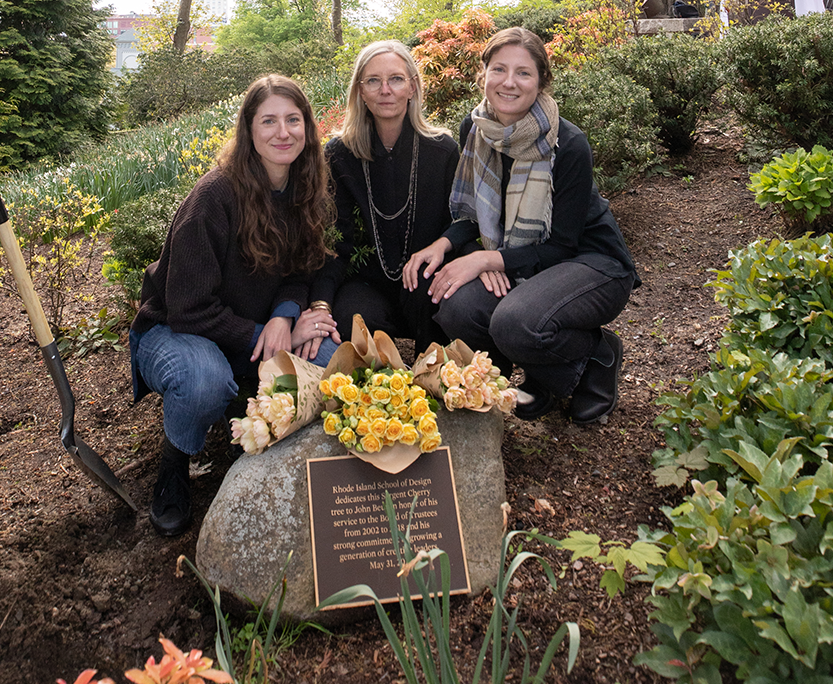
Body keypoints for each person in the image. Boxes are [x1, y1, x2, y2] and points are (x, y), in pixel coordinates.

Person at [129, 75, 340, 537]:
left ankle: (251, 407)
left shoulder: (303, 187)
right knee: (204, 381)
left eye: (293, 119)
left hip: (254, 326)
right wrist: (260, 335)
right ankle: (175, 461)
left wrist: (286, 316)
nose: (282, 132)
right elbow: (187, 308)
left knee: (330, 365)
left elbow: (302, 269)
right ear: (249, 130)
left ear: (307, 127)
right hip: (175, 330)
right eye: (269, 121)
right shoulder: (215, 197)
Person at [404, 27, 639, 425]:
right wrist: (446, 244)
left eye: (523, 73)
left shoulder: (567, 143)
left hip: (593, 263)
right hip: (529, 261)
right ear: (483, 75)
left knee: (514, 323)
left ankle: (597, 356)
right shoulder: (475, 129)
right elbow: (471, 216)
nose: (509, 82)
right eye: (499, 69)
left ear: (542, 81)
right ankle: (540, 378)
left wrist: (489, 260)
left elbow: (563, 244)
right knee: (458, 306)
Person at [306, 40, 460, 357]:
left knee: (441, 328)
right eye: (373, 81)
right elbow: (335, 239)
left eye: (396, 79)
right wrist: (320, 301)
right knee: (353, 322)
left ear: (413, 88)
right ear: (361, 92)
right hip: (367, 282)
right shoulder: (339, 154)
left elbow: (461, 221)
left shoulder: (442, 150)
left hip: (426, 277)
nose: (385, 90)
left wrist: (440, 250)